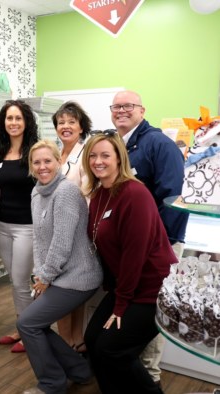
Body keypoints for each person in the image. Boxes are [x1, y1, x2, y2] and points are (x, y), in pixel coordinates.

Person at [82, 131, 175, 394]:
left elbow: (135, 254)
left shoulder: (135, 193)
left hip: (151, 290)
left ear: (119, 158)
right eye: (93, 156)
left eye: (105, 155)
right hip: (126, 286)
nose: (98, 161)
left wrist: (120, 305)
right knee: (92, 340)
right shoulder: (99, 194)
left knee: (112, 350)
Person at [110, 90, 188, 385]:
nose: (121, 111)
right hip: (131, 246)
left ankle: (150, 377)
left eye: (128, 106)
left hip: (158, 246)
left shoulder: (159, 144)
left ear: (142, 110)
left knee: (153, 307)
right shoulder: (120, 144)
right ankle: (132, 373)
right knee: (136, 307)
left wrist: (159, 243)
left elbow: (175, 198)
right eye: (116, 107)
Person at [18, 140, 102, 394]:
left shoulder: (65, 192)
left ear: (58, 162)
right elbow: (39, 237)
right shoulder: (36, 191)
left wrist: (45, 276)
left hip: (79, 277)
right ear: (31, 167)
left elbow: (62, 242)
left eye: (48, 161)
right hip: (57, 275)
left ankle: (52, 384)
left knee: (27, 323)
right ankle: (79, 370)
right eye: (37, 162)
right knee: (34, 323)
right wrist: (39, 273)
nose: (42, 167)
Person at [0, 99, 38, 353]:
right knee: (15, 281)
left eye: (18, 118)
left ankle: (29, 331)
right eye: (9, 118)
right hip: (3, 225)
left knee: (22, 281)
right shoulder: (1, 153)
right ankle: (23, 326)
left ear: (26, 121)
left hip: (27, 227)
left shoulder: (34, 152)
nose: (13, 123)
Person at [51, 101, 92, 354]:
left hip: (76, 233)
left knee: (69, 290)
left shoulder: (84, 154)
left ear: (81, 127)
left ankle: (71, 342)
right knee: (67, 289)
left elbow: (89, 194)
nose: (65, 127)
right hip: (55, 232)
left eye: (71, 122)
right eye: (61, 122)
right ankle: (74, 342)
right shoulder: (57, 154)